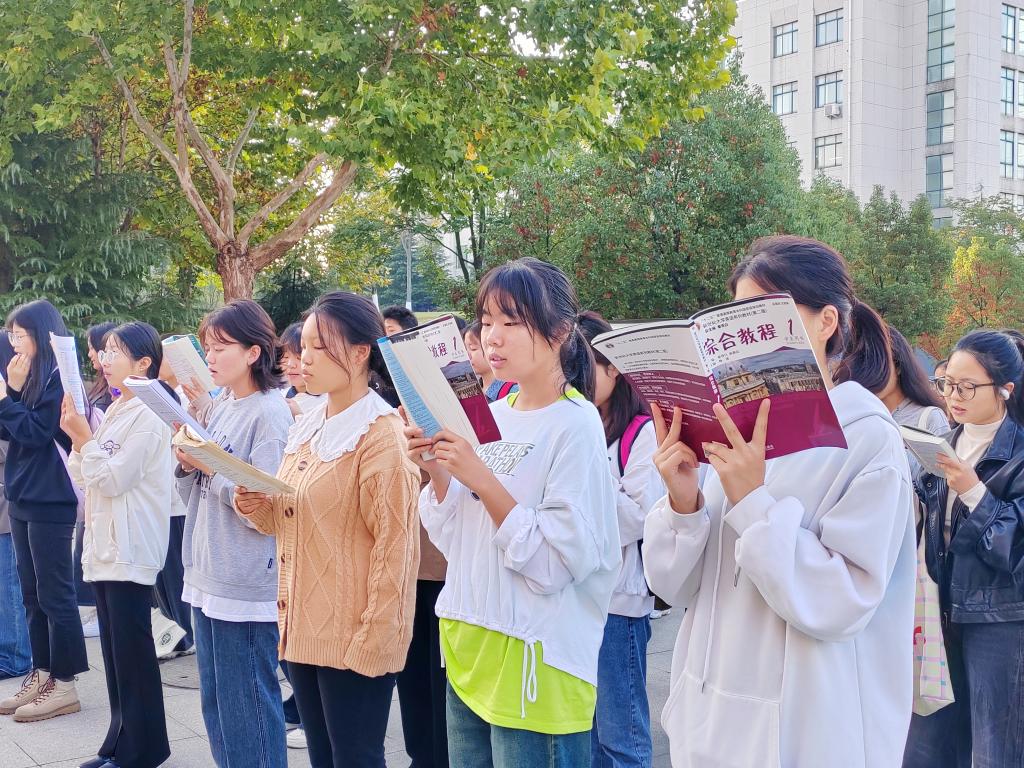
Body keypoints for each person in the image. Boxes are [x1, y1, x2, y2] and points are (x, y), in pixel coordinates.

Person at [644, 235, 916, 767]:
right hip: (708, 720)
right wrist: (683, 502)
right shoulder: (734, 429)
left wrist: (753, 503)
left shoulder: (866, 436)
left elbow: (844, 600)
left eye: (765, 319)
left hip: (803, 732)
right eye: (736, 322)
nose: (746, 340)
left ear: (826, 321)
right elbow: (675, 587)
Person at [408, 257, 620, 768]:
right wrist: (436, 470)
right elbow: (457, 537)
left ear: (560, 332)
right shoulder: (490, 415)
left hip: (536, 657)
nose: (493, 337)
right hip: (470, 644)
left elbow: (556, 564)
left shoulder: (576, 423)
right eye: (486, 321)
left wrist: (483, 479)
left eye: (512, 321)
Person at [236, 292, 420, 768]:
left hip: (354, 637)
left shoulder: (381, 436)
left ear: (360, 353)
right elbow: (294, 519)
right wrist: (257, 506)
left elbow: (396, 551)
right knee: (322, 756)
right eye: (304, 346)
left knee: (355, 758)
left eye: (319, 347)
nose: (305, 358)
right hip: (301, 627)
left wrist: (375, 640)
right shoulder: (309, 424)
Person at [175, 300, 293, 768]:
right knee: (218, 706)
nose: (210, 357)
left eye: (220, 347)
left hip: (244, 579)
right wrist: (188, 464)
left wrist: (209, 468)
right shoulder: (224, 404)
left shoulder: (270, 414)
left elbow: (265, 507)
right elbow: (199, 490)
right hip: (209, 569)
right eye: (207, 346)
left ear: (253, 352)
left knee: (248, 708)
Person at [902, 329, 1024, 768]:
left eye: (967, 387)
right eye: (947, 383)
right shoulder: (948, 443)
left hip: (1000, 620)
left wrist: (973, 490)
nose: (953, 396)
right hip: (941, 609)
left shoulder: (1018, 454)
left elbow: (1012, 552)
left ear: (1005, 389)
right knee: (928, 742)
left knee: (996, 747)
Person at [63, 322, 175, 768]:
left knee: (133, 655)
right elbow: (85, 475)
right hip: (107, 546)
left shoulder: (150, 414)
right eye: (104, 351)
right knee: (115, 654)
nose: (104, 360)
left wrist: (84, 441)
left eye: (115, 352)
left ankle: (143, 751)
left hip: (130, 546)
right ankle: (118, 743)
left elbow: (112, 478)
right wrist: (80, 441)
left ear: (143, 363)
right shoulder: (117, 408)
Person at [579, 311, 662, 768]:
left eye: (584, 367)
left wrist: (588, 472)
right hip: (578, 597)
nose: (575, 379)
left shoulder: (642, 432)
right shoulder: (579, 423)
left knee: (621, 737)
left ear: (613, 368)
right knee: (588, 736)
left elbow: (638, 518)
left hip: (619, 604)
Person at [0, 300, 89, 723]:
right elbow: (11, 430)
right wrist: (13, 392)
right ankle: (41, 673)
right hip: (22, 495)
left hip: (52, 497)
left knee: (56, 594)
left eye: (20, 334)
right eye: (11, 334)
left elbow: (36, 433)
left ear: (41, 334)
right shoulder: (29, 375)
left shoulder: (60, 378)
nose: (14, 342)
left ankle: (65, 683)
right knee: (32, 594)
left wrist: (7, 397)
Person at [74, 322, 116, 638]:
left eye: (95, 348)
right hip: (91, 475)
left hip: (104, 477)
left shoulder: (125, 401)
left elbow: (115, 477)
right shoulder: (102, 388)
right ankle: (95, 611)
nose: (93, 355)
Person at [0, 335, 31, 682]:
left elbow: (15, 445)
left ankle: (15, 656)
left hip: (9, 503)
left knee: (9, 581)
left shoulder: (15, 396)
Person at [880, 326, 950, 475]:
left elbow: (945, 480)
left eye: (878, 364)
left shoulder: (930, 417)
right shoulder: (867, 417)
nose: (869, 373)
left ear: (898, 366)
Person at [463, 321, 517, 402]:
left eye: (473, 349)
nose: (467, 355)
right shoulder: (474, 390)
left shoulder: (513, 391)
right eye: (465, 349)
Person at [279, 322, 323, 418]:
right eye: (285, 357)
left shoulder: (327, 402)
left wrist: (298, 416)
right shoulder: (279, 397)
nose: (290, 365)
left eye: (299, 357)